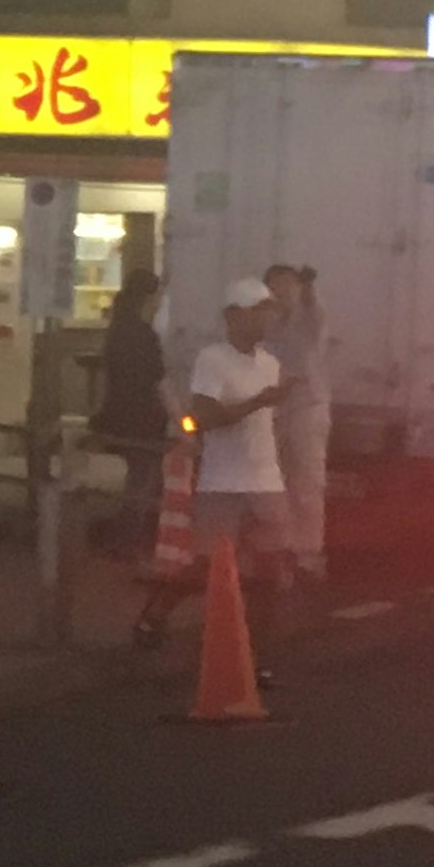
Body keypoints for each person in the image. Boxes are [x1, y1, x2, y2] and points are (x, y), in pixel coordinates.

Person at [186, 274, 292, 653]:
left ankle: (258, 650)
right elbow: (207, 417)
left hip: (266, 479)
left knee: (269, 569)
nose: (267, 321)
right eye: (258, 312)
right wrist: (258, 402)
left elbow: (269, 424)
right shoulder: (212, 359)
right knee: (208, 569)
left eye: (269, 313)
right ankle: (160, 613)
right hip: (222, 481)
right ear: (234, 316)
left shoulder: (271, 364)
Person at [264, 261, 333, 608]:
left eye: (288, 285)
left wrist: (309, 286)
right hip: (275, 412)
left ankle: (308, 553)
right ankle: (284, 550)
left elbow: (314, 308)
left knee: (306, 482)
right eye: (277, 285)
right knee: (278, 485)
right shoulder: (267, 326)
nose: (282, 291)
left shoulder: (308, 319)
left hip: (307, 411)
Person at [92, 267, 169, 548]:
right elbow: (159, 382)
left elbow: (106, 375)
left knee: (139, 477)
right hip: (143, 417)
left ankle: (126, 535)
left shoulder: (118, 330)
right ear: (150, 297)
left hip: (119, 412)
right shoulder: (145, 336)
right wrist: (183, 420)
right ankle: (128, 539)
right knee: (143, 480)